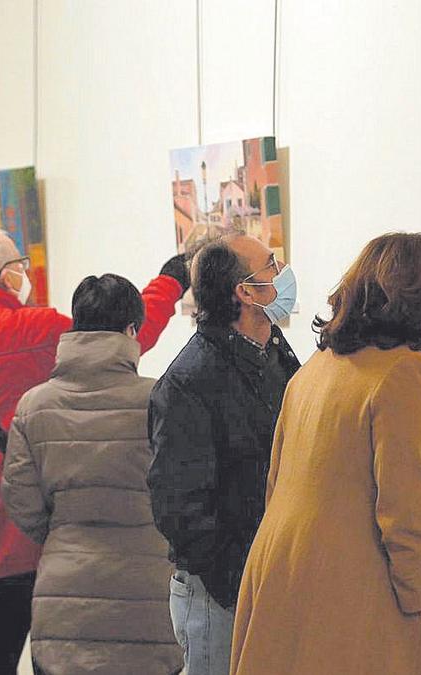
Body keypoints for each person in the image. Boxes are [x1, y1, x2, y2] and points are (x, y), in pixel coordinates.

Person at [0, 227, 187, 674]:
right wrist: (170, 282)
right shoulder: (36, 330)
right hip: (51, 549)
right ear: (7, 277)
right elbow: (119, 339)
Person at [230, 233, 421, 674]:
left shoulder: (318, 367)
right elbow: (406, 502)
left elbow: (276, 480)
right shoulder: (406, 371)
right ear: (414, 299)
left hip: (285, 575)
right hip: (353, 592)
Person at [0, 274, 183, 675]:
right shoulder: (159, 401)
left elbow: (19, 499)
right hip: (148, 597)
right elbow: (181, 493)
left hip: (64, 600)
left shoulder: (34, 405)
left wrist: (64, 533)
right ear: (133, 330)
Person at [146, 234, 301, 675]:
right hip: (223, 595)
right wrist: (237, 582)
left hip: (278, 576)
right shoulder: (188, 382)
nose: (283, 271)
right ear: (245, 293)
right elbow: (179, 507)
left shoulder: (276, 355)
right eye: (271, 264)